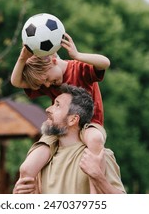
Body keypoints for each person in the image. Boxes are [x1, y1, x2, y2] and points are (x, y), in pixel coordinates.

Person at [11, 33, 110, 189]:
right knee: (27, 168)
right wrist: (22, 59)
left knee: (95, 139)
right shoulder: (48, 81)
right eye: (44, 83)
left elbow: (105, 62)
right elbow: (16, 82)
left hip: (89, 124)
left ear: (54, 61)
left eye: (48, 80)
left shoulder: (78, 68)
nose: (48, 86)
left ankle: (95, 193)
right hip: (59, 128)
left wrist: (77, 55)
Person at [13, 84, 125, 194]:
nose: (48, 109)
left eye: (57, 105)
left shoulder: (98, 156)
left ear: (73, 119)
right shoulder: (42, 160)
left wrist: (98, 177)